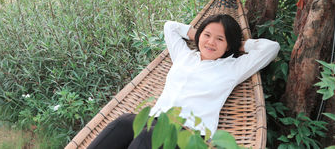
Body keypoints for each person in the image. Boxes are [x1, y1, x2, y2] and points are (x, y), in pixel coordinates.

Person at [87, 14, 280, 149]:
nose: (211, 42)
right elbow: (170, 27)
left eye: (220, 39)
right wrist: (198, 35)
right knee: (123, 123)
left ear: (229, 44)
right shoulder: (184, 55)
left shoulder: (232, 68)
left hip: (189, 132)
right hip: (156, 119)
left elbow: (271, 48)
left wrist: (239, 45)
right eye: (207, 35)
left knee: (148, 136)